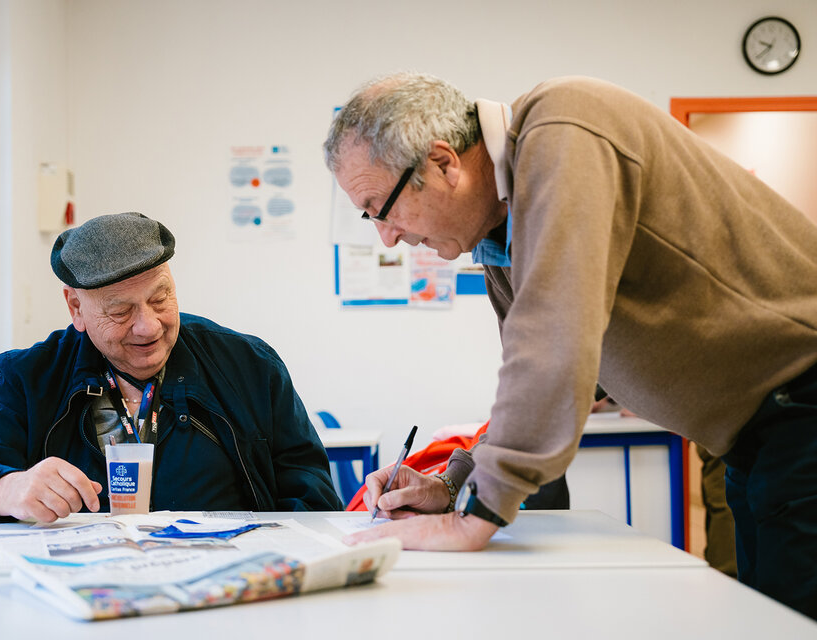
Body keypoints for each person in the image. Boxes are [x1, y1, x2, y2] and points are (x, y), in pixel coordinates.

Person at [323, 72, 817, 619]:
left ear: (443, 162)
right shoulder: (499, 239)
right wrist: (451, 482)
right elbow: (538, 379)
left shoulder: (562, 127)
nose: (387, 237)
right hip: (753, 433)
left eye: (380, 207)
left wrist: (474, 519)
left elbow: (553, 343)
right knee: (772, 618)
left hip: (802, 398)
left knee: (792, 619)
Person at [0, 212, 342, 523]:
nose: (149, 326)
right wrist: (4, 486)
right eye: (121, 311)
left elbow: (313, 490)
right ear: (75, 308)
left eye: (160, 298)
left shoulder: (249, 365)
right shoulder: (31, 376)